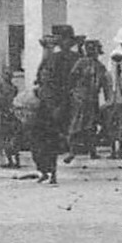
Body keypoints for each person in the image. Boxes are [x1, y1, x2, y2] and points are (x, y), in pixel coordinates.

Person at [31, 25, 78, 184]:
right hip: (48, 103)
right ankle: (45, 170)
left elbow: (70, 84)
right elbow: (40, 78)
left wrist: (59, 104)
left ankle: (52, 172)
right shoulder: (52, 57)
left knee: (52, 139)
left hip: (61, 103)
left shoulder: (73, 59)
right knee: (40, 138)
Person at [64, 39, 108, 162]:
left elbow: (103, 83)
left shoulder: (100, 66)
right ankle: (72, 152)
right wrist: (73, 93)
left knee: (91, 126)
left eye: (93, 49)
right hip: (80, 98)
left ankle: (92, 151)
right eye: (89, 49)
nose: (92, 52)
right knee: (76, 125)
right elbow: (72, 78)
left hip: (92, 99)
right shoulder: (81, 63)